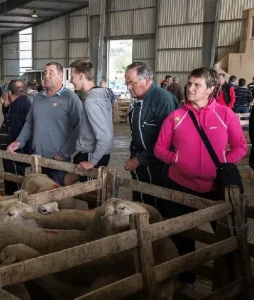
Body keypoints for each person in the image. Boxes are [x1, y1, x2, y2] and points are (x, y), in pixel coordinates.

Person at [154, 67, 247, 288]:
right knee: (181, 236)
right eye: (189, 84)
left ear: (211, 89)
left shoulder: (225, 115)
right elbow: (159, 148)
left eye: (197, 85)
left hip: (216, 188)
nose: (190, 88)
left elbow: (240, 146)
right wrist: (176, 159)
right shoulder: (176, 116)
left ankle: (229, 279)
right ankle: (186, 278)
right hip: (180, 186)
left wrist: (224, 164)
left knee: (226, 234)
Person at [7, 62, 82, 186]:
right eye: (45, 72)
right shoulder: (38, 98)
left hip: (57, 160)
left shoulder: (71, 98)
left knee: (55, 199)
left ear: (60, 75)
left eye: (51, 73)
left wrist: (65, 152)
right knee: (38, 194)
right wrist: (19, 141)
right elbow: (30, 123)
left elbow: (78, 127)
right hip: (37, 158)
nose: (46, 76)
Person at [124, 62, 179, 207]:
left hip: (158, 166)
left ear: (147, 80)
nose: (128, 87)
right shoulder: (138, 100)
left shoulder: (163, 100)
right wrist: (134, 155)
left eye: (132, 83)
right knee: (140, 202)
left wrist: (140, 159)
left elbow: (167, 140)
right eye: (127, 83)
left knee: (157, 204)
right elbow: (136, 132)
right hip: (141, 164)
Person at [69, 60, 113, 187]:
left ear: (81, 76)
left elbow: (105, 135)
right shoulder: (102, 93)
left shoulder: (91, 101)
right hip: (99, 153)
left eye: (72, 76)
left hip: (91, 154)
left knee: (91, 194)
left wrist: (92, 161)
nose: (71, 80)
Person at [1, 80, 32, 195]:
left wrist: (14, 145)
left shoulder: (18, 106)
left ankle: (14, 197)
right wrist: (6, 106)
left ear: (9, 92)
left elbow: (14, 127)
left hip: (14, 149)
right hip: (18, 146)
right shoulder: (23, 102)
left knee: (14, 175)